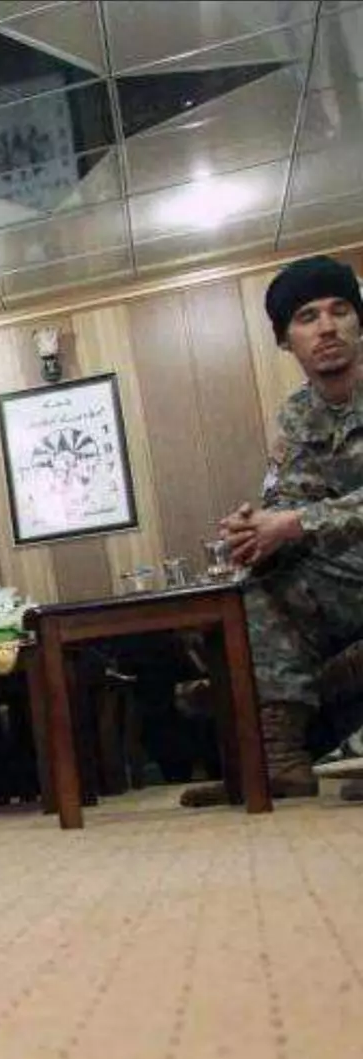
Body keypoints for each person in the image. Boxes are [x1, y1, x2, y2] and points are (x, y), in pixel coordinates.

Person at [185, 254, 363, 805]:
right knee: (253, 585)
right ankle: (275, 758)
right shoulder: (297, 416)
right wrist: (254, 527)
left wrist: (294, 522)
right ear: (287, 340)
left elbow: (302, 517)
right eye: (307, 317)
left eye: (340, 311)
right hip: (346, 574)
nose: (327, 327)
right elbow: (288, 497)